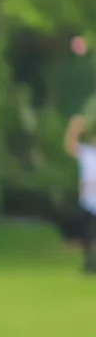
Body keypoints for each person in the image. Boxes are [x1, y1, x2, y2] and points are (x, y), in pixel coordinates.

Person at [65, 109, 96, 273]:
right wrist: (74, 128)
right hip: (88, 199)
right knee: (87, 235)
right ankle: (89, 264)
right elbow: (70, 145)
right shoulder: (87, 153)